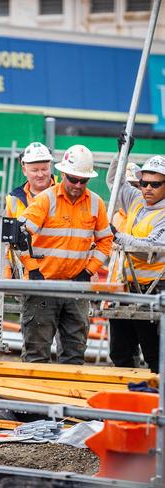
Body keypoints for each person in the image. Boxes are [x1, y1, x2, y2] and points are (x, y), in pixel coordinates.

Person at [18, 144, 113, 364]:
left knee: (74, 355)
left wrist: (88, 271)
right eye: (73, 179)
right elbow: (19, 235)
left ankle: (68, 398)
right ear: (62, 175)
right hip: (43, 286)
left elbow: (105, 240)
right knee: (36, 355)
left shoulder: (95, 203)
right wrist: (33, 269)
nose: (78, 185)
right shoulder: (45, 199)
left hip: (75, 288)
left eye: (83, 180)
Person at [106, 152, 165, 373]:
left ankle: (158, 402)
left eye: (155, 184)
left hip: (154, 292)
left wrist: (116, 236)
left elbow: (149, 250)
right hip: (127, 288)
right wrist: (121, 154)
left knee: (155, 356)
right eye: (143, 183)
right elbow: (115, 182)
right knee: (120, 352)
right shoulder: (137, 200)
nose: (147, 188)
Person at [4, 142, 55, 278]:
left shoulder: (62, 195)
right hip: (25, 275)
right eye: (34, 170)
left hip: (57, 274)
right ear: (24, 170)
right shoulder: (13, 199)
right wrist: (6, 274)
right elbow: (6, 243)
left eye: (44, 169)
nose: (40, 174)